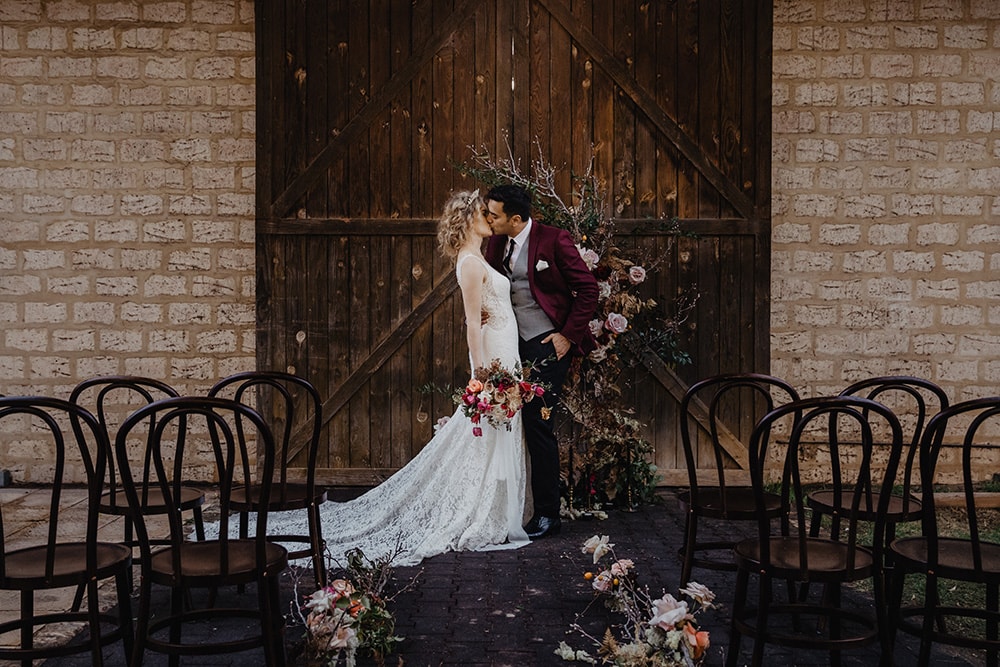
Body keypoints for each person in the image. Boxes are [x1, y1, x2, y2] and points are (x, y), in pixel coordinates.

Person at [248, 190, 530, 567]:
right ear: (467, 220)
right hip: (493, 352)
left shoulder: (482, 257)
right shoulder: (469, 264)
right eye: (483, 213)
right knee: (487, 428)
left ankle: (501, 506)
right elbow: (471, 325)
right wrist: (480, 372)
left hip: (506, 347)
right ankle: (479, 509)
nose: (489, 218)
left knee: (500, 428)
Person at [484, 184, 599, 540]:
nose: (488, 218)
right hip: (508, 345)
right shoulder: (496, 242)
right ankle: (511, 506)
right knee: (505, 422)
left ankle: (548, 514)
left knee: (538, 425)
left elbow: (589, 290)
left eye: (494, 214)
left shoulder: (554, 240)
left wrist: (567, 335)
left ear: (515, 219)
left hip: (546, 346)